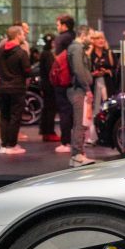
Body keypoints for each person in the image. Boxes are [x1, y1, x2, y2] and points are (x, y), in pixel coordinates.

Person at [0, 25, 31, 155]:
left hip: (3, 87)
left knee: (4, 116)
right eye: (23, 34)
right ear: (17, 35)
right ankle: (12, 145)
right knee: (15, 117)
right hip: (17, 88)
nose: (24, 36)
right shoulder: (21, 53)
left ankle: (4, 145)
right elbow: (27, 71)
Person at [65, 26, 94, 166]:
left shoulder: (77, 48)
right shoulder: (77, 48)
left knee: (81, 122)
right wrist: (87, 89)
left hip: (79, 89)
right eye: (90, 36)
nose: (91, 40)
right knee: (80, 123)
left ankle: (78, 154)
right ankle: (77, 155)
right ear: (83, 35)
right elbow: (79, 70)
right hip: (78, 90)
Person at [51, 14, 77, 152]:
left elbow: (58, 60)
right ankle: (74, 140)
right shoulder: (75, 37)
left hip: (63, 80)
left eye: (58, 25)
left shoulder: (61, 39)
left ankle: (65, 142)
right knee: (74, 111)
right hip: (76, 79)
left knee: (64, 111)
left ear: (64, 25)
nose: (57, 27)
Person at [36, 34, 59, 142]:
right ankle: (49, 132)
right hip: (49, 85)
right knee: (50, 109)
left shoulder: (44, 53)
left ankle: (45, 131)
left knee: (47, 108)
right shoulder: (48, 54)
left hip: (45, 84)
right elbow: (51, 70)